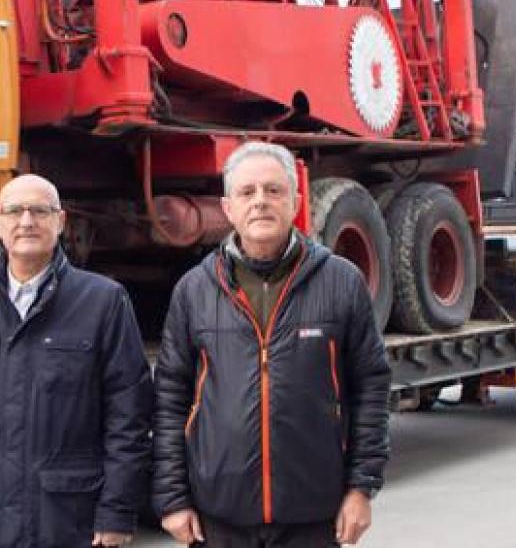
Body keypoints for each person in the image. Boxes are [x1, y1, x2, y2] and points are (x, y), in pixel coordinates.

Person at [153, 142, 391, 547]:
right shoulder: (194, 290)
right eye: (247, 192)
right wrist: (172, 499)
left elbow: (371, 388)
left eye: (273, 190)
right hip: (219, 516)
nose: (260, 202)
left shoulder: (341, 282)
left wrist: (361, 488)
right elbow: (171, 398)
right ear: (228, 208)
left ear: (295, 201)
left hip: (314, 514)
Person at [0, 174, 152, 547]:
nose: (26, 221)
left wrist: (117, 511)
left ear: (60, 222)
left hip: (67, 521)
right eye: (14, 211)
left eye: (39, 211)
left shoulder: (103, 302)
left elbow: (129, 417)